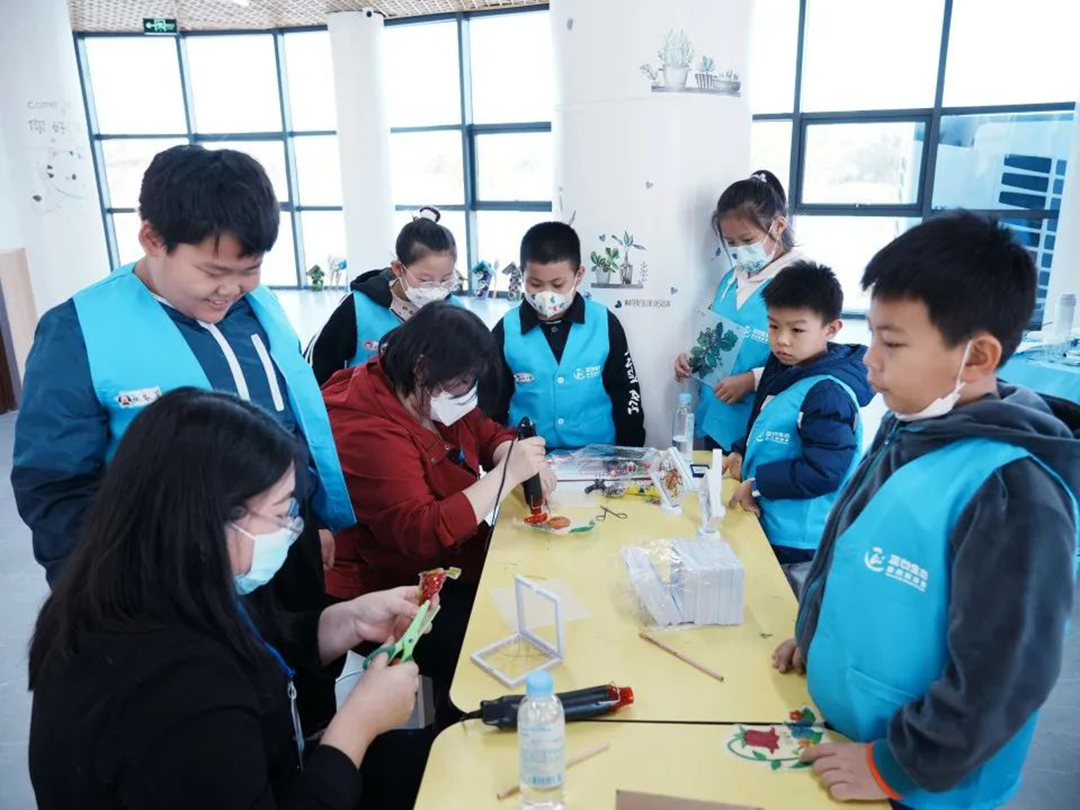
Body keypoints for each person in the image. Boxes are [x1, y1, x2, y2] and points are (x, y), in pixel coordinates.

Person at [771, 213, 1079, 808]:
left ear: (977, 357)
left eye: (892, 343)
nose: (869, 362)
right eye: (873, 337)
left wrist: (895, 767)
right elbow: (855, 556)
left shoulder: (1011, 489)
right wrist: (815, 637)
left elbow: (1005, 675)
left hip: (920, 781)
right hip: (852, 738)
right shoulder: (910, 428)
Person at [28, 389, 425, 809]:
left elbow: (255, 651)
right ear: (210, 520)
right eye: (280, 514)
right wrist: (357, 725)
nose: (292, 531)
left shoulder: (160, 585)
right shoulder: (170, 684)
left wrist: (346, 622)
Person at [12, 145, 353, 620]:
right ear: (153, 239)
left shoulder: (260, 310)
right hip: (174, 577)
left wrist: (311, 518)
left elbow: (294, 422)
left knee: (307, 652)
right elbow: (56, 486)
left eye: (250, 269)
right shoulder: (79, 331)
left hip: (284, 542)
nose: (231, 289)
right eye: (213, 272)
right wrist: (102, 599)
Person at [322, 302, 554, 719]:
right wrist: (507, 477)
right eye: (462, 383)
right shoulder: (363, 424)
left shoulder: (427, 394)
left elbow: (483, 430)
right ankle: (459, 731)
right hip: (392, 588)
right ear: (421, 367)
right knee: (497, 651)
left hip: (452, 562)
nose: (467, 393)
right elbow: (421, 530)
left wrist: (510, 453)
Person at [725, 261, 872, 592]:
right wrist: (741, 451)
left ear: (831, 329)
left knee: (786, 615)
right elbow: (768, 420)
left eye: (797, 330)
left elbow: (824, 471)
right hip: (772, 524)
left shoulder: (828, 392)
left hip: (801, 543)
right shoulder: (784, 366)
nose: (782, 341)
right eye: (773, 326)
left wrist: (758, 483)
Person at [674, 170, 807, 451]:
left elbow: (811, 361)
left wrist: (752, 380)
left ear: (778, 226)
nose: (739, 251)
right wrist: (693, 360)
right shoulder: (730, 280)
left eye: (747, 241)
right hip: (715, 421)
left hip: (758, 431)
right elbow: (717, 339)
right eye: (731, 243)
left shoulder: (800, 282)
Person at [491, 221, 646, 448]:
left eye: (557, 284)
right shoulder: (506, 330)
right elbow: (492, 404)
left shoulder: (604, 323)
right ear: (522, 275)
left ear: (579, 275)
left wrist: (631, 451)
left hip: (597, 454)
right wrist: (497, 453)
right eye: (535, 284)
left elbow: (626, 392)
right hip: (529, 456)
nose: (546, 295)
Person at [307, 207, 465, 386]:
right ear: (398, 268)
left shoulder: (456, 312)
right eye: (425, 280)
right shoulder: (358, 307)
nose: (437, 289)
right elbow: (316, 366)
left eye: (446, 279)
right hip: (363, 402)